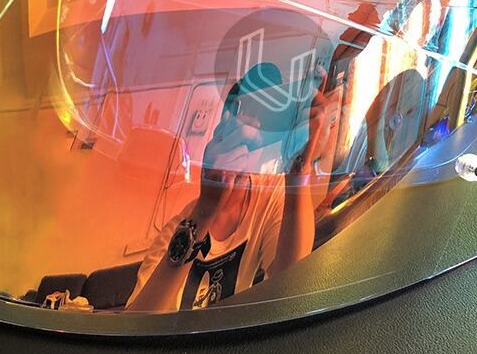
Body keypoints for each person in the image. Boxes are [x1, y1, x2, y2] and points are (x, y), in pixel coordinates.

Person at [126, 61, 330, 312]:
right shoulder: (178, 228)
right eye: (246, 113)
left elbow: (291, 289)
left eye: (267, 118)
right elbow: (137, 321)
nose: (255, 126)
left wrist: (299, 167)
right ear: (223, 125)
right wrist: (206, 207)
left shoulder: (270, 197)